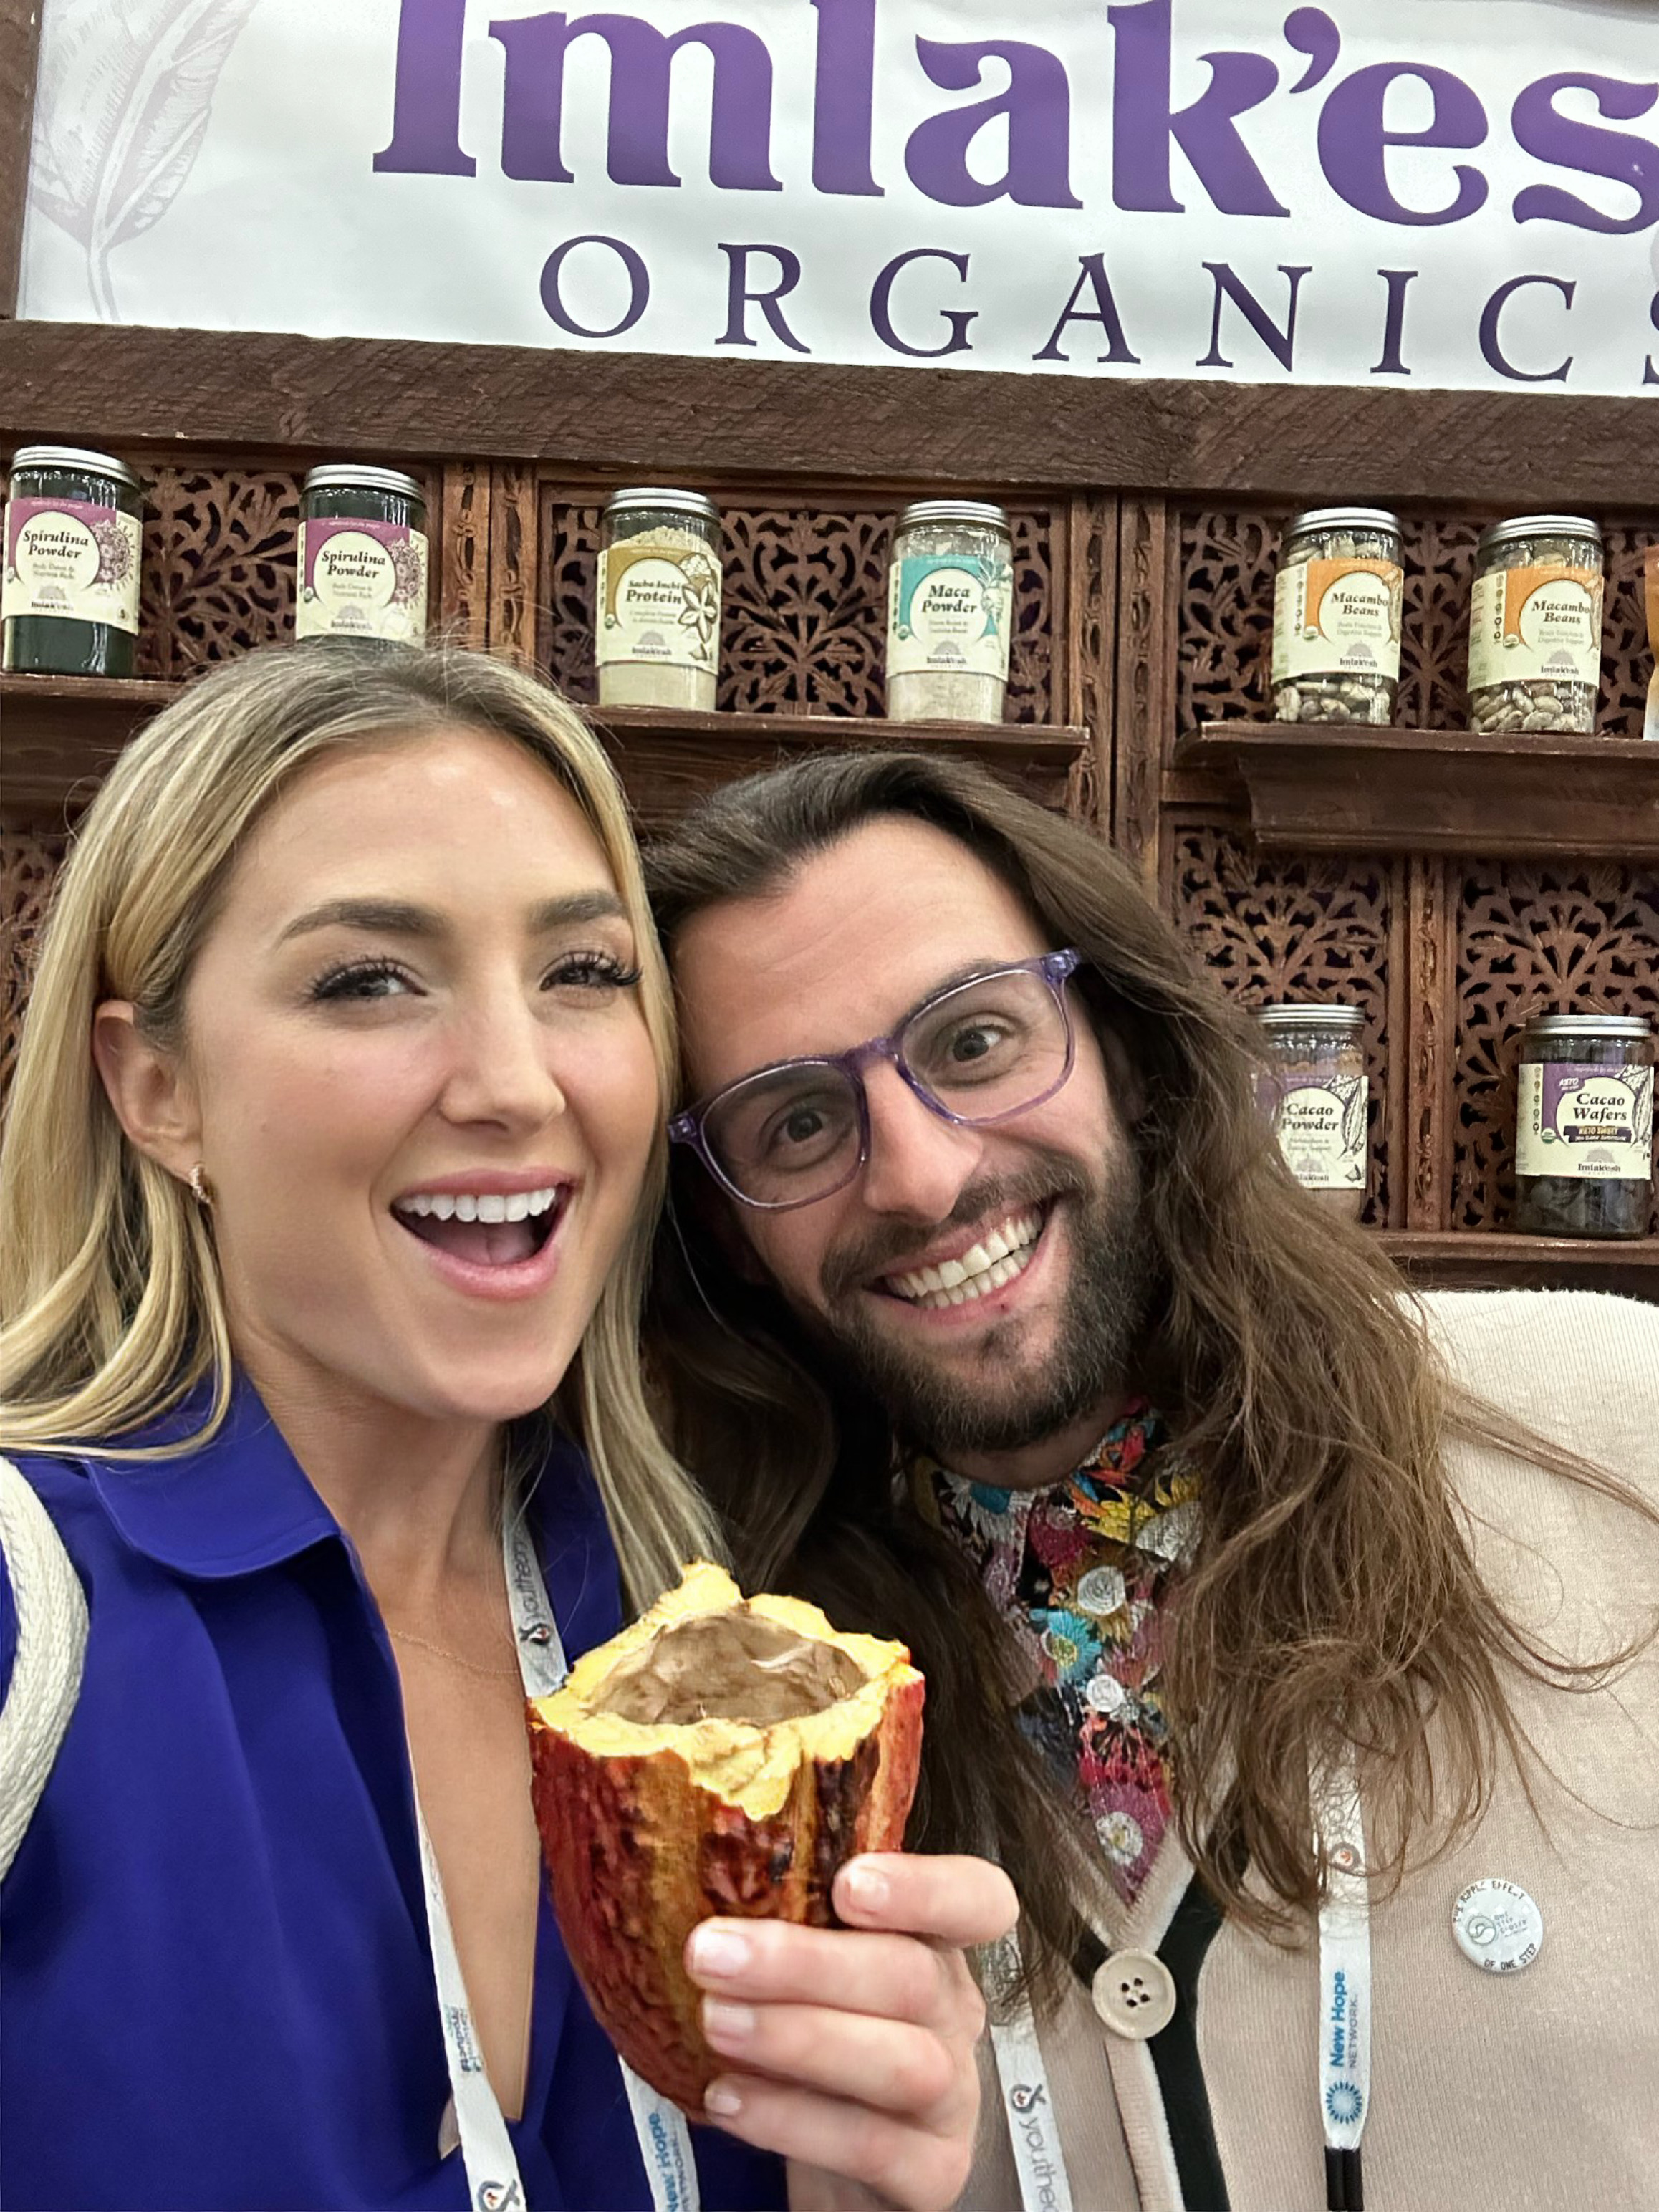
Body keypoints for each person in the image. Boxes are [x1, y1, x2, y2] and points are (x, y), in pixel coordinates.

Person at [0, 650, 1011, 2212]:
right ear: (156, 1088)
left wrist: (859, 2188)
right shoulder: (29, 1620)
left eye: (584, 972)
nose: (516, 1082)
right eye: (369, 980)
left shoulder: (696, 1629)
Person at [643, 746, 1659, 2212]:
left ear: (1122, 1044)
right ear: (728, 1231)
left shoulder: (1615, 1424)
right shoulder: (741, 1716)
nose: (921, 1176)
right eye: (797, 1121)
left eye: (975, 1040)